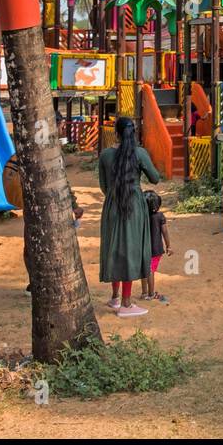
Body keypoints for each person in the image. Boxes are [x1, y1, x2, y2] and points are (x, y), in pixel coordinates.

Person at [98, 116, 161, 317]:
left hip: (112, 205)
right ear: (133, 133)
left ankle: (115, 298)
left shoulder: (106, 155)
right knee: (131, 251)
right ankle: (126, 304)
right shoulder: (139, 154)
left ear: (115, 132)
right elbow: (155, 178)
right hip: (133, 205)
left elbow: (103, 186)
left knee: (115, 249)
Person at [140, 190, 171, 304]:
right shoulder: (160, 216)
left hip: (143, 248)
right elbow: (165, 232)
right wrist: (168, 246)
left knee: (144, 270)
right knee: (151, 271)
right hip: (156, 249)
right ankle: (151, 294)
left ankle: (144, 293)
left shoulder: (141, 217)